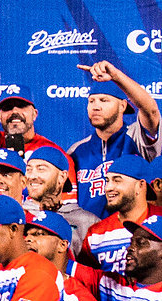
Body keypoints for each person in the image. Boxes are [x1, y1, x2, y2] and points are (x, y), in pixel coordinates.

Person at [68, 61, 161, 217]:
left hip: (134, 231)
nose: (96, 106)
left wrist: (116, 76)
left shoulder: (136, 136)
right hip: (93, 236)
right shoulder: (76, 150)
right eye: (92, 101)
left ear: (123, 106)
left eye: (104, 100)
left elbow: (150, 111)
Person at [80, 155, 159, 273]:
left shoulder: (160, 219)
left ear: (141, 185)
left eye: (117, 180)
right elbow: (85, 281)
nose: (108, 188)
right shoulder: (96, 234)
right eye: (107, 181)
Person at [23, 147, 99, 251]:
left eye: (41, 169)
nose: (32, 176)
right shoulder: (17, 215)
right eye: (29, 170)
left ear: (62, 177)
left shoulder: (87, 221)